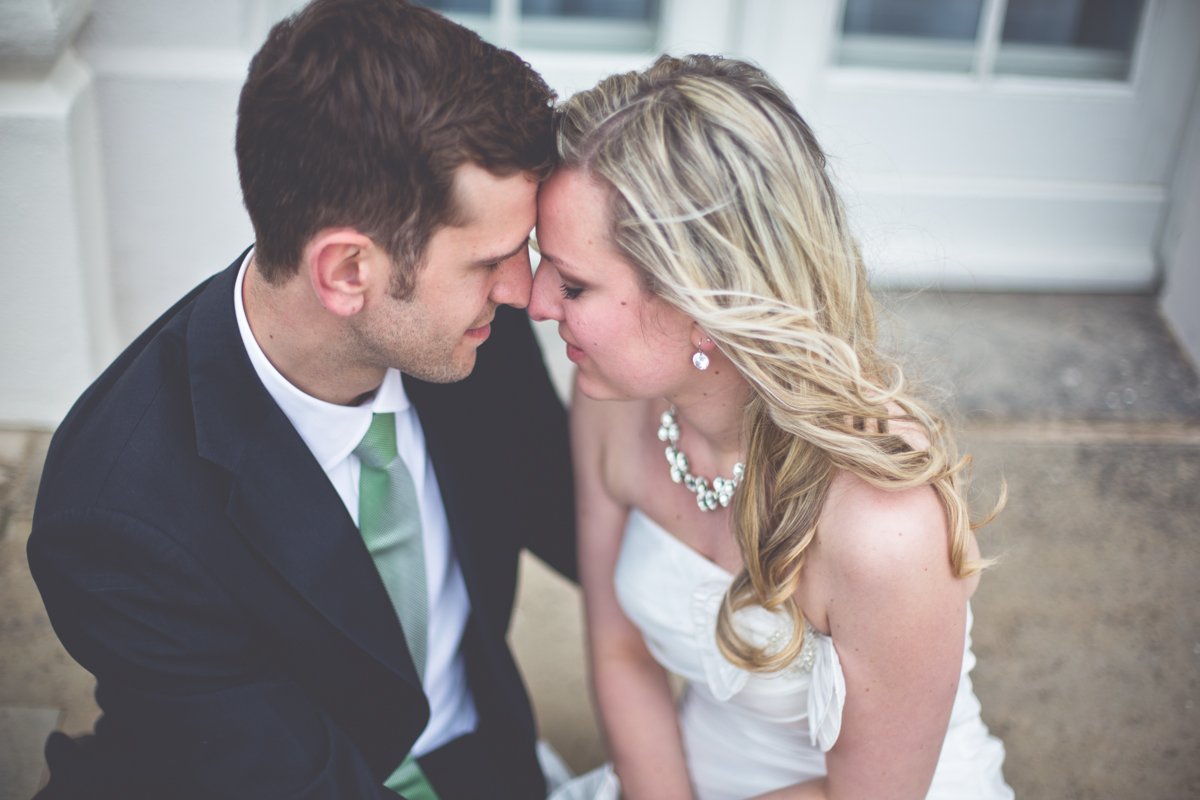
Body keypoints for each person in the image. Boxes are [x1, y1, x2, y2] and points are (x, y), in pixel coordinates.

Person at [27, 2, 574, 798]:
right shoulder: (116, 516)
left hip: (480, 748)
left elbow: (567, 509)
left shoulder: (468, 332)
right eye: (492, 261)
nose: (527, 293)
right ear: (348, 272)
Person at [531, 55, 1014, 800]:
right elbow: (618, 648)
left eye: (571, 283)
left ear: (700, 298)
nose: (533, 301)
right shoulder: (611, 397)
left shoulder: (884, 526)